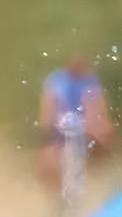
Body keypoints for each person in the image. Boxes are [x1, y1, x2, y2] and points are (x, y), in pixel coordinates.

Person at [38, 53, 114, 197]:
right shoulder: (57, 80)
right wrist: (49, 124)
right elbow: (49, 104)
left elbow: (95, 105)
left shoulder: (89, 82)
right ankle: (61, 192)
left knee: (78, 156)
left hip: (79, 126)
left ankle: (76, 191)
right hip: (61, 124)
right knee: (54, 158)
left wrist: (99, 125)